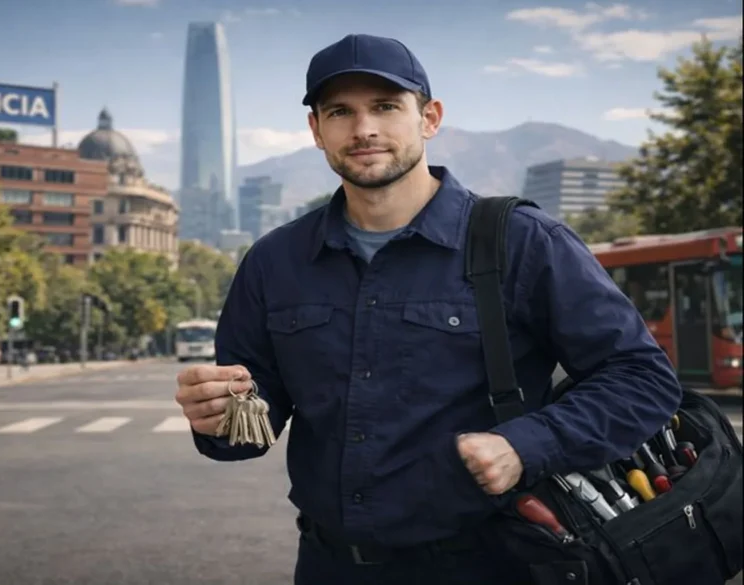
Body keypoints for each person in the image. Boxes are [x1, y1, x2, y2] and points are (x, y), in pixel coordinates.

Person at [174, 33, 682, 585]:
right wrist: (220, 415)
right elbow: (253, 422)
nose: (364, 129)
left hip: (496, 564)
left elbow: (641, 379)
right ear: (317, 131)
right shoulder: (275, 261)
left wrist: (526, 445)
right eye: (340, 111)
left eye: (386, 107)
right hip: (330, 567)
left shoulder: (522, 241)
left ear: (429, 118)